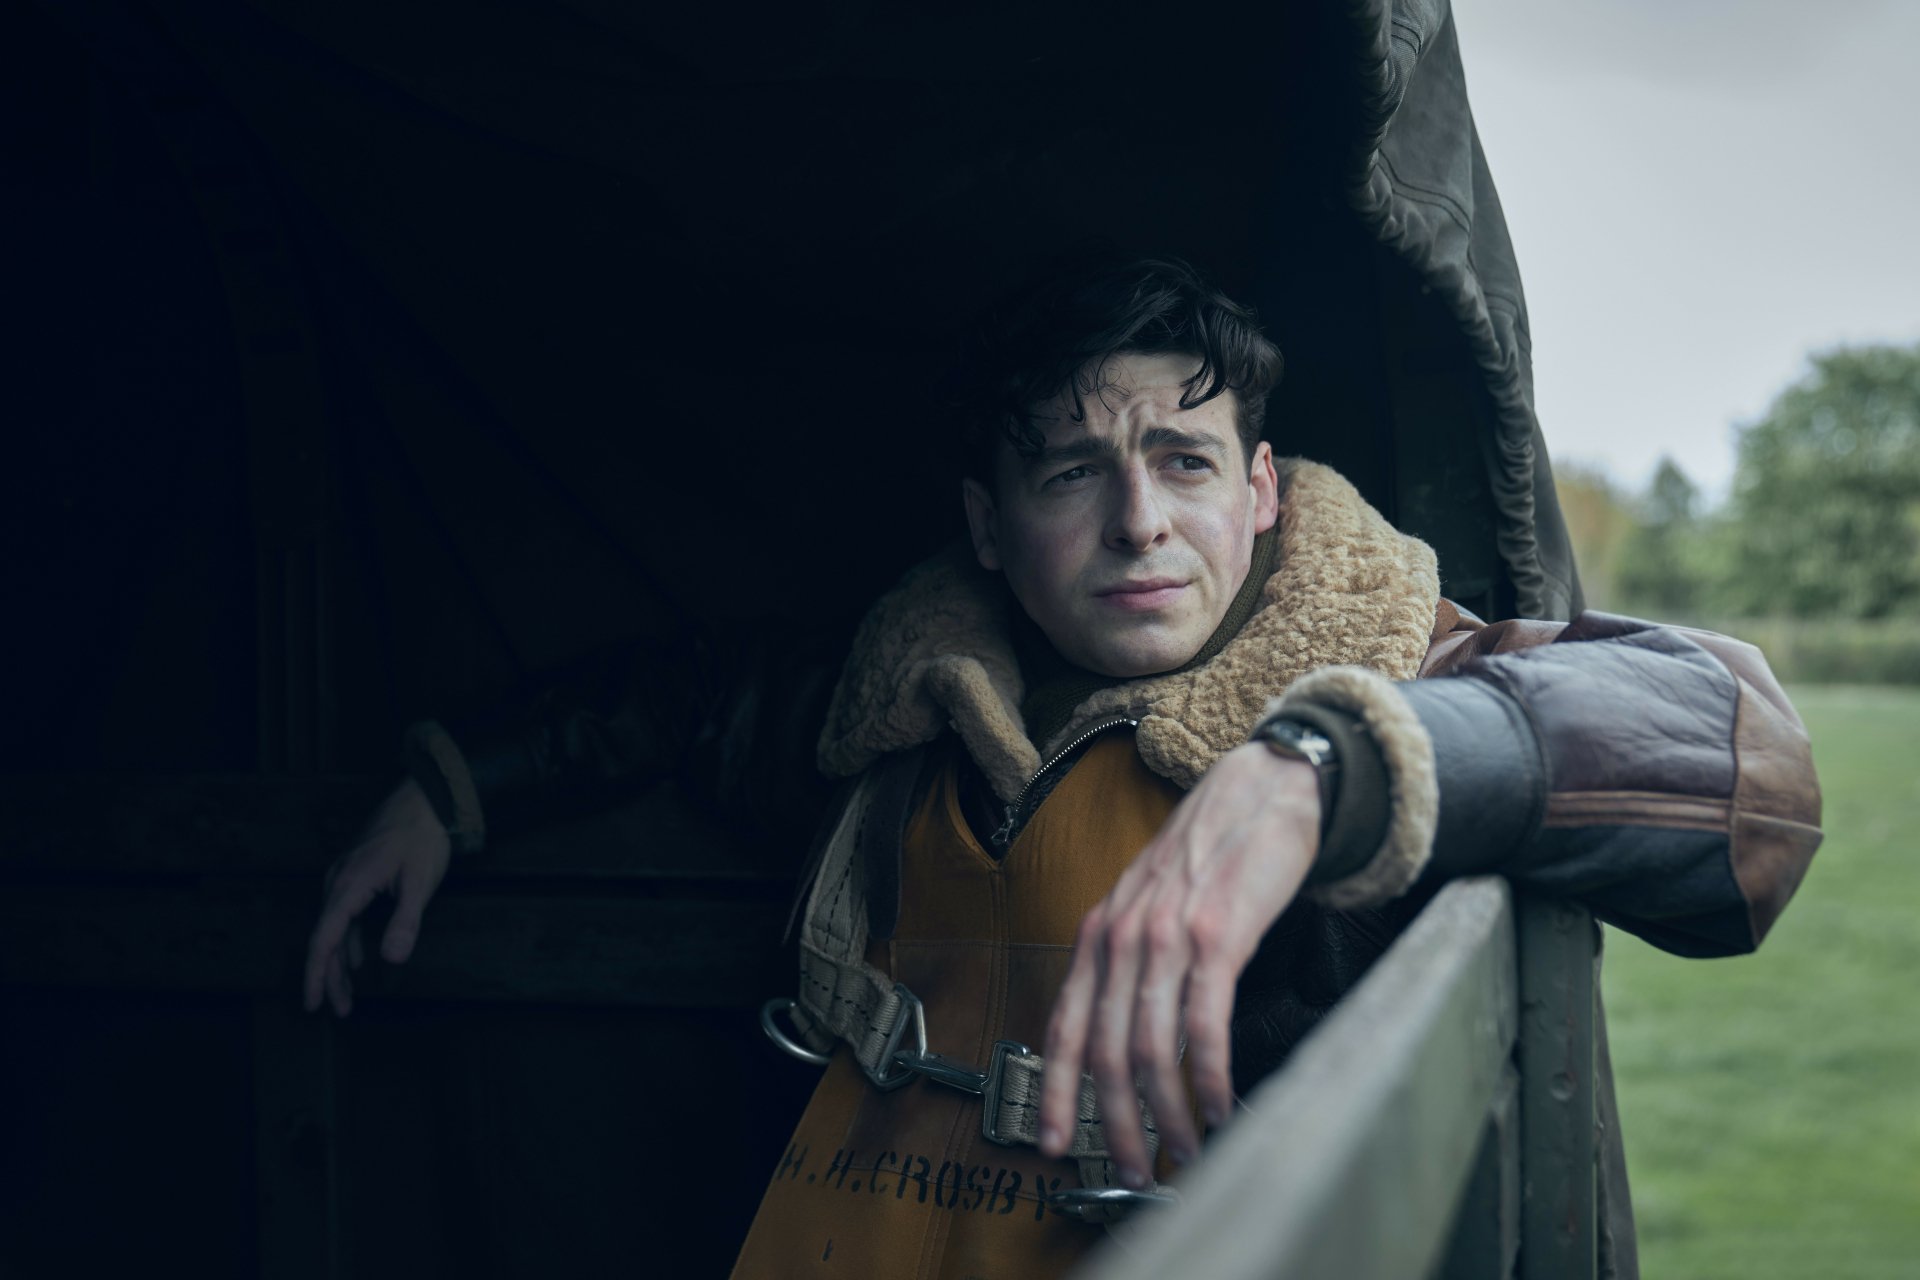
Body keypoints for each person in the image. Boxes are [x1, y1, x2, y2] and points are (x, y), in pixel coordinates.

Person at [304, 256, 1822, 1279]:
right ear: (986, 523)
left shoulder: (1395, 673)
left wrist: (1324, 765)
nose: (1140, 523)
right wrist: (453, 786)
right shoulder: (903, 705)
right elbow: (677, 699)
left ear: (1262, 491)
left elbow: (1744, 767)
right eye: (1073, 471)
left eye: (1183, 461)